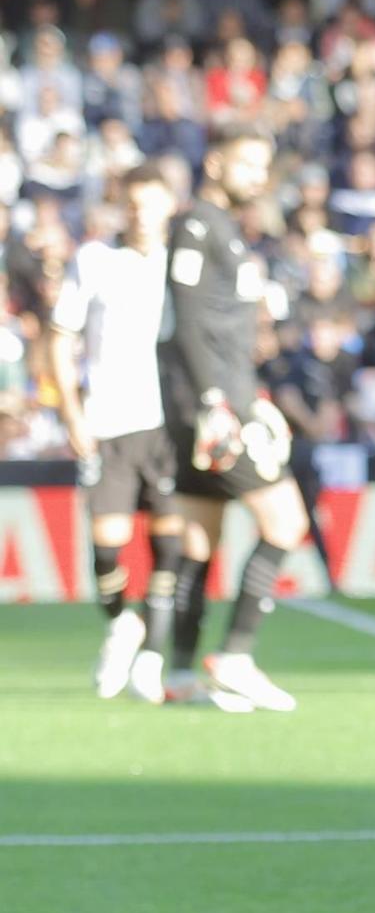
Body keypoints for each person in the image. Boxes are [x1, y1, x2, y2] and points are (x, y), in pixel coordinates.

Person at [158, 125, 311, 712]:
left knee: (200, 540)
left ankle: (179, 673)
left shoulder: (227, 232)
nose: (257, 176)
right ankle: (237, 656)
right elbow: (188, 323)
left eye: (262, 165)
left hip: (218, 399)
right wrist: (215, 404)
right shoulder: (198, 226)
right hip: (215, 406)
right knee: (286, 522)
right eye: (247, 163)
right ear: (215, 163)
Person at [49, 161, 182, 703]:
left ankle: (152, 656)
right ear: (120, 206)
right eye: (132, 203)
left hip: (168, 426)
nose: (141, 213)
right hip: (109, 424)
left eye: (152, 202)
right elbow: (61, 338)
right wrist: (73, 414)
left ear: (169, 205)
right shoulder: (95, 259)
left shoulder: (182, 265)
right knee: (108, 545)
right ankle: (122, 623)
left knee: (172, 546)